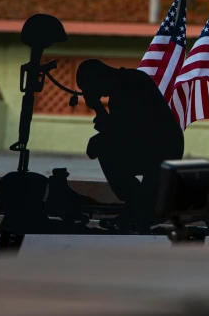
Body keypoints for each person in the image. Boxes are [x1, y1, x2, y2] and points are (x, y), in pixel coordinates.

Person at [76, 59, 184, 232]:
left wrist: (98, 108)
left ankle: (137, 206)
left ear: (98, 78)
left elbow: (125, 132)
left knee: (103, 147)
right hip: (154, 146)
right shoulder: (125, 85)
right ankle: (136, 206)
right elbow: (121, 131)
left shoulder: (129, 85)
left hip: (160, 149)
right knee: (103, 145)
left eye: (91, 87)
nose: (95, 93)